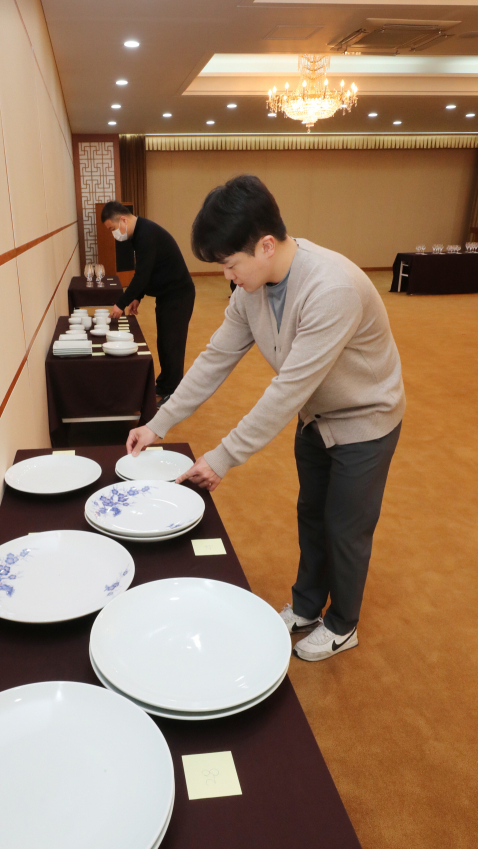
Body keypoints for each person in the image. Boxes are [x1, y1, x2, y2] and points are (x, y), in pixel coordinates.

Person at [126, 175, 405, 663]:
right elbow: (216, 357)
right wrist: (159, 422)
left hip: (365, 420)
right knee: (311, 515)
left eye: (231, 265)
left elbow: (287, 388)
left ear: (266, 245)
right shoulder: (251, 289)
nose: (229, 278)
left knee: (345, 526)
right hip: (315, 417)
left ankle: (343, 625)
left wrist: (222, 457)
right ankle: (305, 605)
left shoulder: (331, 288)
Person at [101, 201, 195, 404]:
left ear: (123, 220)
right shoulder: (140, 233)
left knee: (173, 344)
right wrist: (137, 296)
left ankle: (174, 393)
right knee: (164, 342)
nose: (113, 234)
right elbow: (148, 270)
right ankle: (164, 384)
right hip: (167, 294)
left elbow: (142, 275)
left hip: (179, 294)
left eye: (112, 229)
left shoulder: (146, 234)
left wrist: (121, 303)